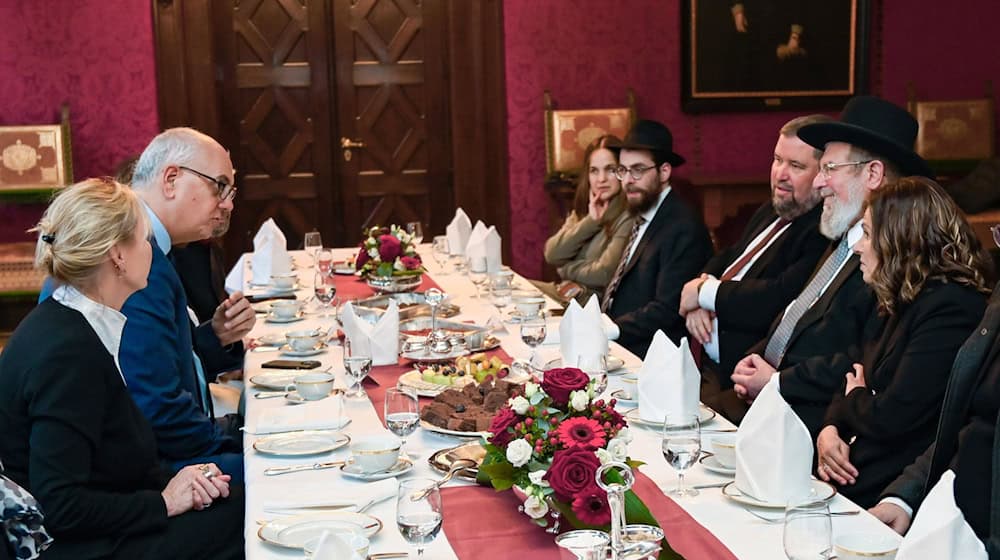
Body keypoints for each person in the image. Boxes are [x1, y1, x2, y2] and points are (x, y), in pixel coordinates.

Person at [0, 178, 243, 559]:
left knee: (238, 497)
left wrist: (181, 482)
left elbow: (109, 458)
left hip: (109, 513)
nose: (152, 252)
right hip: (75, 547)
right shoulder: (68, 353)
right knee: (245, 517)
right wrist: (164, 502)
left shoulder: (78, 321)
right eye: (145, 240)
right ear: (118, 255)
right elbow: (61, 505)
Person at [728, 96, 936, 436]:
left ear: (872, 173)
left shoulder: (894, 256)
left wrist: (777, 381)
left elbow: (864, 359)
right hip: (766, 401)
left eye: (829, 169)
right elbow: (797, 317)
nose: (819, 182)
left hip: (810, 422)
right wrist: (757, 359)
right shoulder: (840, 235)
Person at [815, 177, 990, 508]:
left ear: (900, 240)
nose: (857, 247)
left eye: (867, 234)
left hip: (892, 487)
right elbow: (855, 372)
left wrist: (855, 396)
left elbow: (893, 417)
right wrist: (830, 428)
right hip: (857, 469)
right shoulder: (904, 293)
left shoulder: (950, 309)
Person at [122, 127, 254, 479]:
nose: (227, 204)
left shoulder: (153, 244)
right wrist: (225, 441)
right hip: (154, 470)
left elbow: (163, 360)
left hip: (166, 442)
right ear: (171, 180)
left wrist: (216, 335)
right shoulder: (133, 254)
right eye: (219, 187)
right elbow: (154, 403)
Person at [681, 115, 830, 386]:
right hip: (699, 360)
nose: (780, 174)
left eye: (795, 165)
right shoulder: (772, 209)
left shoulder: (821, 231)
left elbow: (778, 296)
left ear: (823, 175)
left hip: (735, 375)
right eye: (777, 160)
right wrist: (699, 294)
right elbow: (728, 256)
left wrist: (704, 294)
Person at [601, 120, 713, 357]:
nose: (628, 180)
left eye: (638, 170)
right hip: (618, 342)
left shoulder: (683, 226)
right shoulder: (642, 212)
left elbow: (668, 309)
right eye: (623, 170)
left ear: (664, 171)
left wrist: (612, 329)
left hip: (651, 355)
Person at [536, 134, 633, 304]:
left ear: (622, 172)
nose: (601, 179)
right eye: (594, 171)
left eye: (610, 169)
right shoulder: (584, 209)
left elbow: (603, 274)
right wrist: (591, 222)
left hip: (589, 303)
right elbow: (552, 254)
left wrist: (566, 268)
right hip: (565, 292)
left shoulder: (628, 216)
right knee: (513, 291)